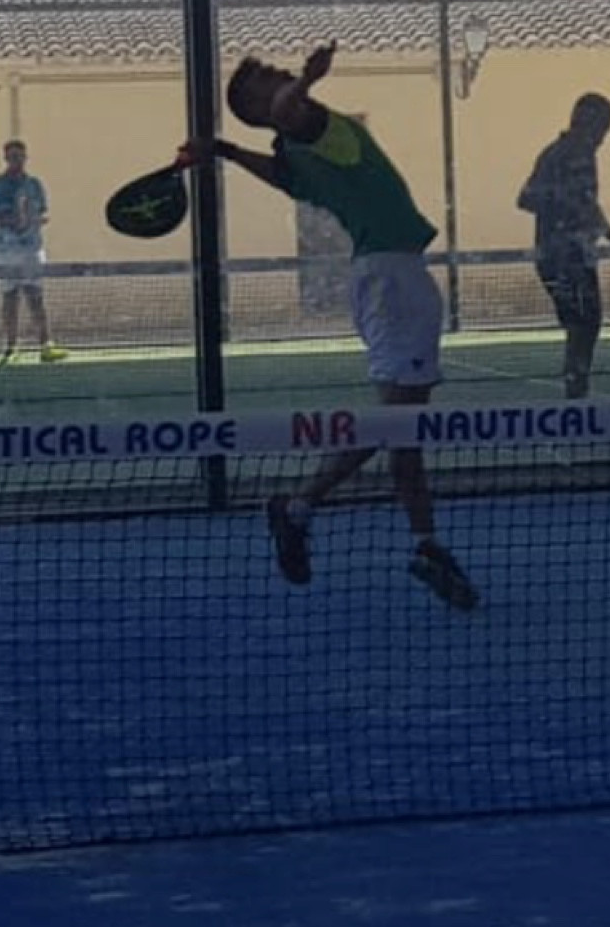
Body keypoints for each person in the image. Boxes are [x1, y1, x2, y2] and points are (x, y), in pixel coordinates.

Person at [181, 42, 476, 610]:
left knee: (404, 428)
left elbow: (280, 173)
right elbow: (285, 110)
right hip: (392, 281)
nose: (279, 73)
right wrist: (307, 80)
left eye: (278, 72)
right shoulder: (306, 123)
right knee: (398, 423)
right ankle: (301, 507)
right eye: (267, 78)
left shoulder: (299, 153)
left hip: (388, 277)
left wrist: (223, 149)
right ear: (262, 107)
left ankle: (424, 544)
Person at [517, 93, 610, 399]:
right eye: (603, 127)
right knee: (584, 323)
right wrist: (568, 209)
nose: (603, 137)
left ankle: (577, 387)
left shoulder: (559, 153)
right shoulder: (574, 155)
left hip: (564, 255)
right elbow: (529, 199)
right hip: (565, 257)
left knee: (582, 323)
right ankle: (576, 389)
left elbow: (587, 206)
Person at [0, 140, 67, 365]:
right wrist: (10, 220)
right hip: (6, 250)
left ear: (25, 158)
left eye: (20, 156)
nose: (16, 161)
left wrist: (32, 219)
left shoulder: (34, 185)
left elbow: (43, 213)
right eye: (12, 156)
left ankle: (46, 345)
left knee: (35, 297)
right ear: (5, 158)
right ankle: (11, 348)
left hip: (31, 249)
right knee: (10, 298)